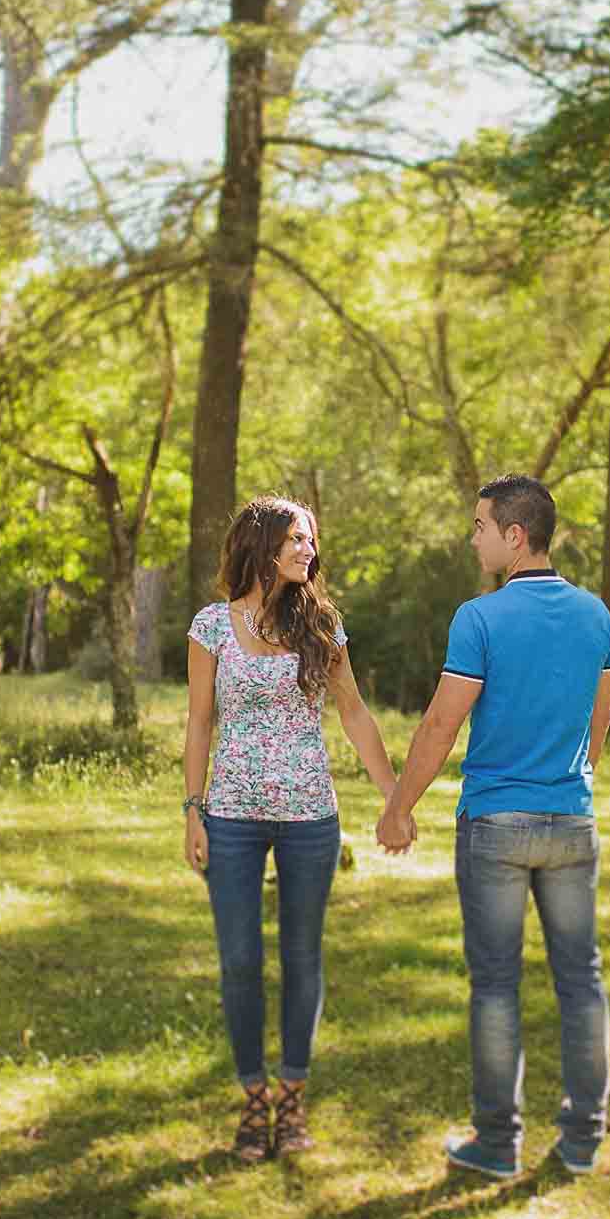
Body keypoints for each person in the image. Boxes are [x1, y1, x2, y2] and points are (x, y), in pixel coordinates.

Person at [377, 474, 610, 1180]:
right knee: (582, 980)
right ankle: (583, 1140)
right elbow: (599, 720)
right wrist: (578, 775)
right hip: (572, 821)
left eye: (480, 526)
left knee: (495, 986)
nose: (473, 537)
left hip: (495, 827)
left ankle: (497, 1142)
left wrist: (399, 805)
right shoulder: (597, 615)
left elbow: (441, 723)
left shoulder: (478, 618)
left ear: (515, 536)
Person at [182, 495, 398, 1161]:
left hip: (310, 814)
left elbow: (355, 712)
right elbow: (198, 722)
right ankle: (253, 1101)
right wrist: (193, 808)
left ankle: (294, 1097)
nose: (309, 550)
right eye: (297, 539)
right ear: (262, 544)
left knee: (303, 956)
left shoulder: (321, 623)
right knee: (241, 960)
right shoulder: (212, 625)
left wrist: (394, 794)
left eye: (311, 540)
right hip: (233, 816)